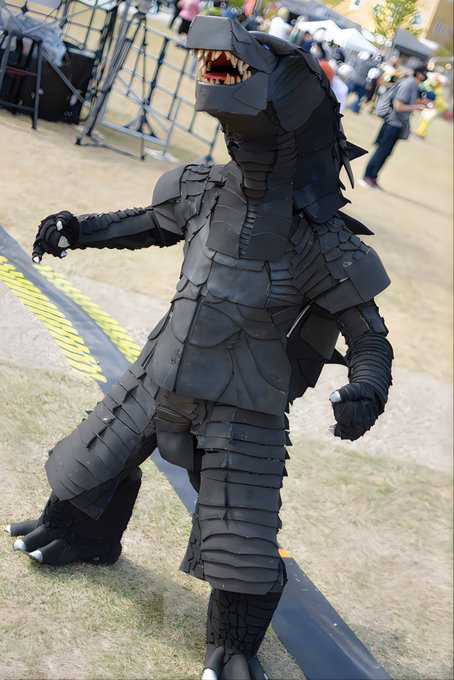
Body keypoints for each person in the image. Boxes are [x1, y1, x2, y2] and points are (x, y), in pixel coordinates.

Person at [7, 17, 393, 680]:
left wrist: (367, 388)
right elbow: (144, 224)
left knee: (240, 542)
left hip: (243, 404)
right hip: (162, 369)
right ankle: (81, 535)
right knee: (88, 463)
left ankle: (233, 645)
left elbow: (368, 334)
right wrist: (79, 229)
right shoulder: (202, 189)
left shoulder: (320, 241)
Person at [361, 64, 428, 189]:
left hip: (396, 124)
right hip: (392, 123)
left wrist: (417, 103)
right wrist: (416, 107)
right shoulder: (409, 84)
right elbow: (398, 106)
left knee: (385, 153)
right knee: (381, 151)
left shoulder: (411, 84)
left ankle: (372, 177)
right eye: (425, 74)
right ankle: (367, 177)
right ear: (420, 74)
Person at [414, 73, 448, 140]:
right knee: (426, 119)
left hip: (434, 104)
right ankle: (420, 132)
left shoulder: (433, 84)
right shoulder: (433, 85)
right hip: (433, 105)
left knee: (426, 119)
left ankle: (420, 131)